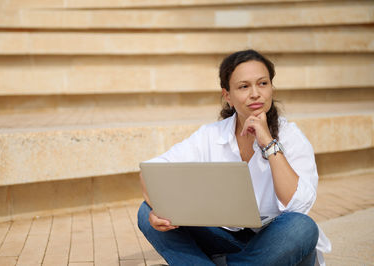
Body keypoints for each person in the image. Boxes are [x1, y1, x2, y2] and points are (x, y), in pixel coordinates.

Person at [137, 49, 331, 265]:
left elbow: (299, 206)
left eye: (263, 83)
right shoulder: (211, 135)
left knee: (301, 227)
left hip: (274, 242)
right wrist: (157, 209)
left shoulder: (291, 136)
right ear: (227, 95)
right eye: (244, 86)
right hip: (224, 237)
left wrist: (268, 142)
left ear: (271, 88)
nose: (256, 93)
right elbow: (152, 171)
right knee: (147, 213)